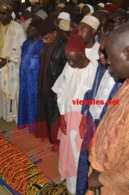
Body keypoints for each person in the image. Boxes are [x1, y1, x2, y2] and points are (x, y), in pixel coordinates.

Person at [52, 34, 98, 194]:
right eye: (68, 59)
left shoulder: (95, 71)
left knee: (79, 157)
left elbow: (95, 101)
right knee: (67, 153)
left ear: (82, 54)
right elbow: (63, 92)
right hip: (67, 117)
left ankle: (78, 188)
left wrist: (86, 119)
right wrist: (62, 116)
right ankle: (70, 186)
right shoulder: (70, 66)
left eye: (73, 59)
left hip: (82, 123)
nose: (70, 63)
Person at [86, 22, 129, 195]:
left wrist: (102, 178)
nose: (108, 61)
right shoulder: (125, 84)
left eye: (110, 56)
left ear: (127, 52)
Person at [76, 50, 123, 195]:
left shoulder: (123, 81)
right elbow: (92, 93)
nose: (100, 57)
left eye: (105, 53)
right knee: (85, 162)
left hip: (108, 134)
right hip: (92, 122)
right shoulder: (102, 68)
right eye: (101, 52)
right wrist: (84, 115)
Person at [0, 4, 26, 122]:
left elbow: (21, 48)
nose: (1, 16)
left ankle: (9, 115)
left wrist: (7, 60)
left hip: (10, 66)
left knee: (9, 91)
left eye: (3, 13)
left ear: (10, 14)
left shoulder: (17, 28)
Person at [35, 17, 67, 150]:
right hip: (45, 83)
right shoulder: (47, 43)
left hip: (56, 87)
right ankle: (50, 137)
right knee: (47, 112)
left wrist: (60, 90)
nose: (44, 41)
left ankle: (59, 142)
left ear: (55, 33)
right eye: (42, 39)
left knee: (56, 116)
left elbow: (67, 71)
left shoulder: (64, 44)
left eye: (47, 38)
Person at [18, 19, 43, 133]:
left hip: (34, 81)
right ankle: (25, 123)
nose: (27, 30)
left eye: (30, 28)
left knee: (33, 103)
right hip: (24, 77)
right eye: (27, 28)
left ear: (37, 31)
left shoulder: (41, 45)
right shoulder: (26, 43)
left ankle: (33, 127)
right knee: (24, 100)